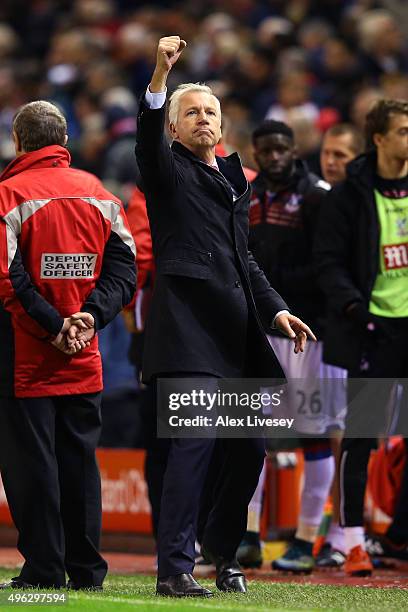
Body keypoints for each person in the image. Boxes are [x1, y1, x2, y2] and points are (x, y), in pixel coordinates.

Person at [135, 36, 315, 598]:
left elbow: (246, 259)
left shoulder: (234, 179)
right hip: (189, 332)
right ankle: (174, 568)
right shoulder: (166, 171)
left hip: (236, 336)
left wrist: (278, 309)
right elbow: (145, 137)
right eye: (190, 113)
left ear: (222, 125)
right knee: (194, 447)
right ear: (173, 126)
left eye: (210, 112)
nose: (202, 119)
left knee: (249, 449)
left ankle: (221, 552)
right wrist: (162, 76)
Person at [0, 100, 137, 589]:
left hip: (25, 359)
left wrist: (51, 325)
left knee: (30, 465)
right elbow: (127, 268)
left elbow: (7, 280)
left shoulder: (8, 195)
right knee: (81, 464)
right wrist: (89, 318)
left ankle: (42, 569)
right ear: (64, 142)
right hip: (85, 355)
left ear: (19, 141)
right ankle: (87, 571)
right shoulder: (99, 193)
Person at [315, 99, 408, 576]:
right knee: (363, 436)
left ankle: (398, 533)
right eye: (404, 131)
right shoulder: (349, 196)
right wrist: (356, 308)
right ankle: (353, 541)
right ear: (381, 139)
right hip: (375, 332)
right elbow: (328, 262)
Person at [244, 119, 335, 574]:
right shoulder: (250, 195)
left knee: (313, 433)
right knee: (251, 433)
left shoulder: (317, 195)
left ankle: (304, 541)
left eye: (282, 148)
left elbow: (326, 265)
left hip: (308, 335)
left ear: (293, 149)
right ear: (255, 153)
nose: (274, 156)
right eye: (266, 150)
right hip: (261, 331)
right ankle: (247, 536)